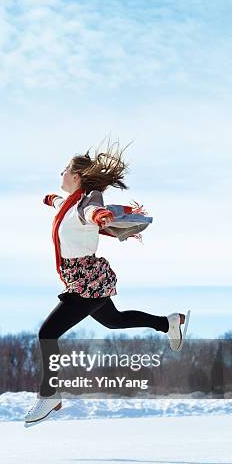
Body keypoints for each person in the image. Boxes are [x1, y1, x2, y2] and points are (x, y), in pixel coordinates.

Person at [24, 139, 190, 426]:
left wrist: (101, 216)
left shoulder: (86, 205)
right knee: (114, 321)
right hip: (84, 281)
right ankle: (168, 322)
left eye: (65, 169)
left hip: (88, 282)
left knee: (47, 334)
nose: (61, 173)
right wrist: (50, 199)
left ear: (76, 176)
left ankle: (49, 394)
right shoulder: (68, 204)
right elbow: (61, 205)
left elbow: (91, 213)